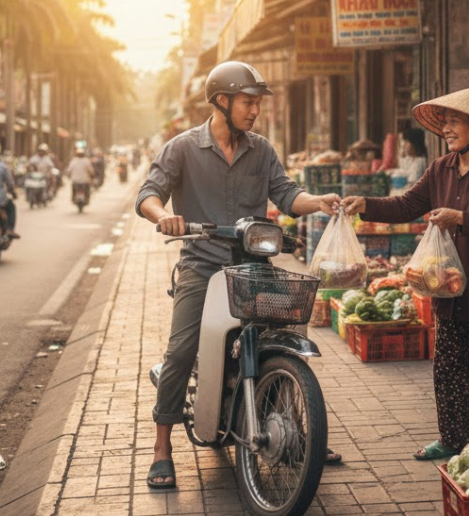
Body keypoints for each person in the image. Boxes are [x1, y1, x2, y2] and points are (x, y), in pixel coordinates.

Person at [136, 61, 342, 489]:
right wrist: (165, 218)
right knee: (179, 351)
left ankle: (301, 427)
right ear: (222, 102)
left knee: (286, 339)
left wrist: (318, 201)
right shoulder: (182, 148)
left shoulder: (261, 149)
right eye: (248, 102)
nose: (254, 111)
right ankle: (162, 448)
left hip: (253, 267)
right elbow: (148, 194)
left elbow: (286, 194)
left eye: (257, 104)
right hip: (201, 265)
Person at [341, 85, 469, 460]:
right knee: (448, 373)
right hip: (448, 291)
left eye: (455, 121)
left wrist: (461, 218)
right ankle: (452, 439)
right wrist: (366, 205)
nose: (447, 129)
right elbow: (407, 204)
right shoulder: (441, 168)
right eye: (445, 123)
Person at [389, 127, 429, 195]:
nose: (404, 145)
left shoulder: (418, 163)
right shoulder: (412, 160)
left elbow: (411, 189)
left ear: (415, 144)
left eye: (407, 142)